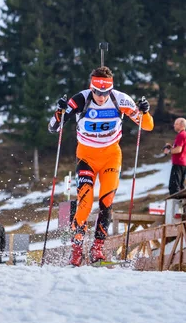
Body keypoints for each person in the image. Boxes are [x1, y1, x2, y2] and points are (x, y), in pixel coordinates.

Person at [48, 65, 154, 266]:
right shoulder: (81, 99)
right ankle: (77, 250)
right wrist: (60, 111)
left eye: (105, 93)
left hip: (111, 157)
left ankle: (97, 250)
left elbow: (147, 126)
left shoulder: (120, 99)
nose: (101, 97)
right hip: (87, 156)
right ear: (91, 88)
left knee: (106, 203)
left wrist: (145, 112)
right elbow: (53, 128)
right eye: (97, 92)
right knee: (85, 204)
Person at [163, 117, 186, 195]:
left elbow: (179, 150)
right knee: (180, 186)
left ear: (181, 125)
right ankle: (181, 205)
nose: (174, 125)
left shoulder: (181, 135)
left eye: (176, 124)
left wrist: (168, 151)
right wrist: (171, 147)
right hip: (184, 163)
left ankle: (175, 205)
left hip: (178, 163)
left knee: (174, 187)